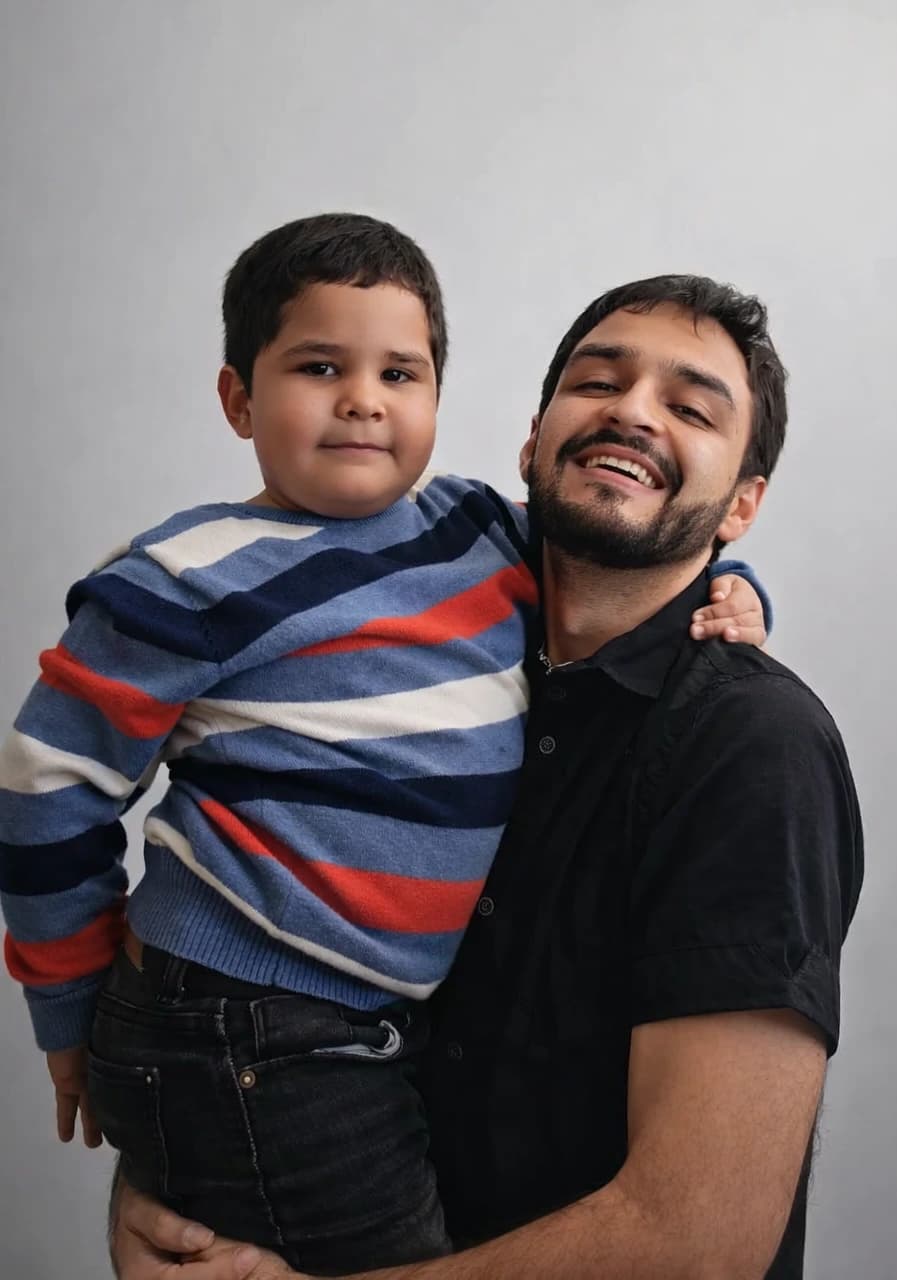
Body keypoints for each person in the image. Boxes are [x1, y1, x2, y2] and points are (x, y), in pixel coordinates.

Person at [0, 221, 765, 1275]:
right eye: (320, 367)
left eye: (398, 373)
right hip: (242, 1011)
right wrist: (70, 1008)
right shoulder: (183, 578)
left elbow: (638, 553)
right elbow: (46, 787)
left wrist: (736, 590)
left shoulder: (476, 531)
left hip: (357, 1021)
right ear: (238, 399)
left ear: (437, 399)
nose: (362, 399)